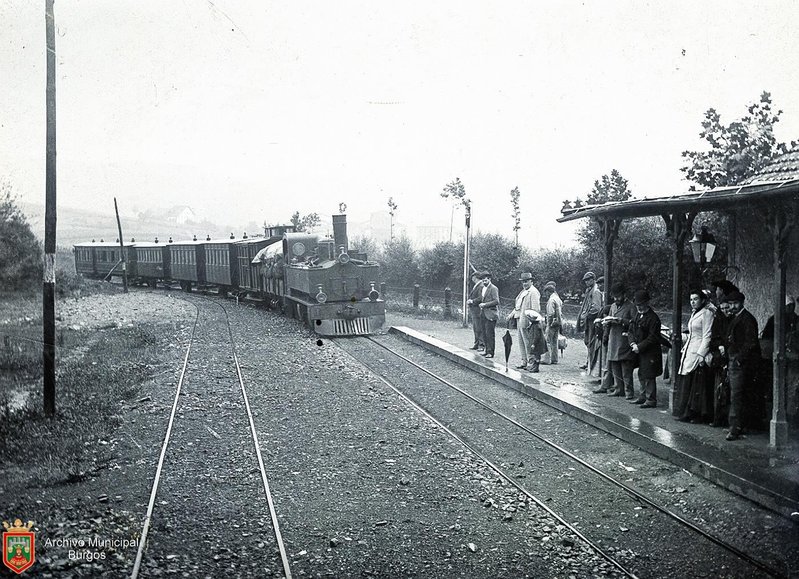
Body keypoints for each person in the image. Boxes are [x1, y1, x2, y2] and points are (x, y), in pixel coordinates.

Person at [724, 290, 761, 440]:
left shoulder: (747, 319)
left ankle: (734, 429)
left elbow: (751, 342)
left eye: (735, 304)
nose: (732, 307)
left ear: (742, 303)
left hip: (741, 363)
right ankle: (739, 425)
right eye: (731, 304)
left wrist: (739, 359)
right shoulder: (735, 318)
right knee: (737, 394)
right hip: (735, 360)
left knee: (737, 395)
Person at [675, 290, 715, 423]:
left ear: (703, 300)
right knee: (687, 380)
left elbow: (707, 335)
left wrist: (701, 354)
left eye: (696, 299)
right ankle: (685, 412)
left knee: (696, 384)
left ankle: (695, 414)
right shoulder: (694, 313)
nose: (693, 302)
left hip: (698, 351)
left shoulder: (707, 313)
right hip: (690, 349)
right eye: (691, 299)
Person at [628, 290, 663, 407]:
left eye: (642, 305)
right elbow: (631, 330)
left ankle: (651, 399)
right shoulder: (637, 315)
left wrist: (639, 346)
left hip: (650, 352)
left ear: (647, 303)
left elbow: (653, 337)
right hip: (639, 350)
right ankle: (642, 396)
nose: (639, 307)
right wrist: (632, 343)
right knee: (641, 373)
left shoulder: (653, 318)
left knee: (649, 375)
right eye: (638, 305)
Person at [603, 282, 636, 399]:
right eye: (614, 297)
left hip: (624, 341)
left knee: (626, 369)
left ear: (624, 294)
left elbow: (634, 323)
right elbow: (608, 322)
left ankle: (629, 391)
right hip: (613, 339)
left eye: (618, 296)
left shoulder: (631, 306)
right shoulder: (612, 306)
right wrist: (605, 334)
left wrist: (621, 320)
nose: (616, 299)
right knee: (615, 366)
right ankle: (619, 389)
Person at [508, 272, 539, 370]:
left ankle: (531, 362)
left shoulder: (533, 292)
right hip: (520, 319)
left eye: (526, 281)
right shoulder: (523, 292)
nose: (524, 284)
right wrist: (512, 314)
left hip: (527, 321)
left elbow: (535, 309)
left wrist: (532, 321)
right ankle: (524, 361)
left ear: (531, 281)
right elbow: (518, 305)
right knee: (522, 342)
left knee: (528, 342)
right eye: (523, 282)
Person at [709, 299, 732, 427]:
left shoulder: (733, 321)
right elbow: (713, 339)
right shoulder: (718, 321)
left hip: (730, 357)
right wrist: (719, 345)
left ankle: (728, 420)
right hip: (720, 359)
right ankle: (718, 418)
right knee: (719, 390)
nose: (725, 311)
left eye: (727, 308)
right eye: (722, 309)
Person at [577, 271, 603, 370]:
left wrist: (587, 316)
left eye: (588, 280)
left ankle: (591, 364)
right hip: (588, 321)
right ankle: (589, 362)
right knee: (588, 341)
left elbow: (596, 308)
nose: (587, 282)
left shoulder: (595, 291)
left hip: (592, 320)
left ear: (593, 279)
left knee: (592, 342)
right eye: (585, 281)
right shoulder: (589, 290)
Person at [478, 272, 500, 359]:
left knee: (490, 333)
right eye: (483, 280)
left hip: (491, 313)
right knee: (484, 332)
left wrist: (485, 304)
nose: (484, 281)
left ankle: (491, 352)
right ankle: (487, 350)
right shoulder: (483, 288)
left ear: (489, 279)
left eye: (486, 280)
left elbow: (496, 301)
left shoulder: (493, 288)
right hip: (483, 313)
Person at [542, 281, 562, 365]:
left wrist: (548, 324)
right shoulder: (557, 298)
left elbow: (550, 313)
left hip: (552, 322)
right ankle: (554, 358)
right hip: (558, 322)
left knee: (547, 340)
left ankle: (547, 359)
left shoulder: (551, 300)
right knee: (555, 341)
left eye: (546, 292)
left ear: (548, 291)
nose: (546, 294)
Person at [467, 271, 486, 351]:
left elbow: (480, 298)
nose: (472, 279)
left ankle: (481, 344)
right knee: (476, 327)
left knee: (479, 327)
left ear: (475, 277)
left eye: (473, 277)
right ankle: (477, 343)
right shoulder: (477, 285)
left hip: (478, 310)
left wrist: (472, 301)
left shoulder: (480, 286)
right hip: (475, 309)